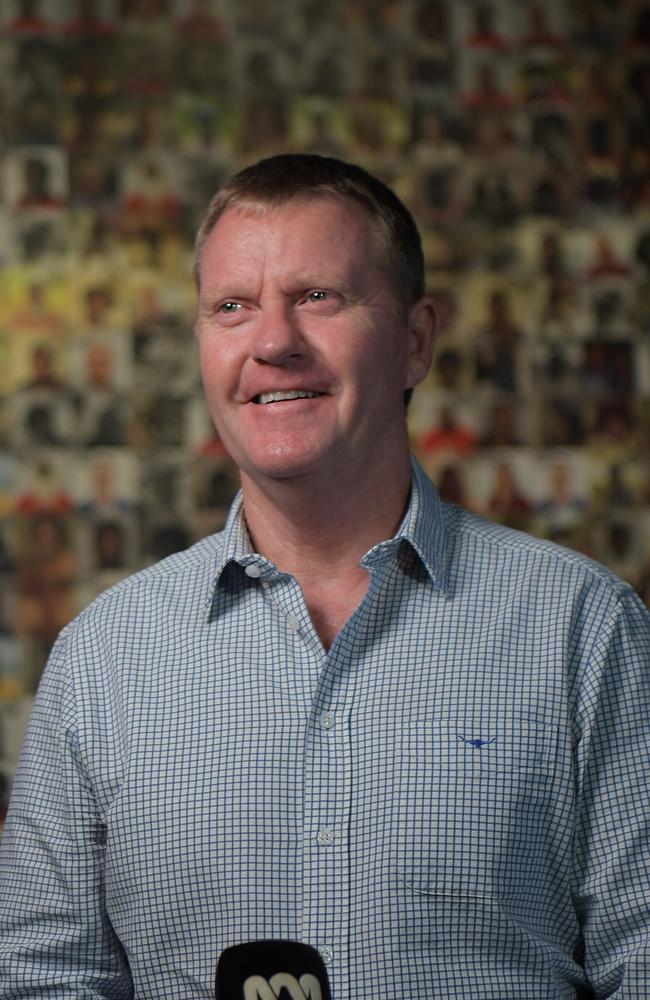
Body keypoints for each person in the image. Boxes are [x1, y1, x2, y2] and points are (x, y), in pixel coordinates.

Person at [0, 153, 649, 999]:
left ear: (416, 341)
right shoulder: (101, 659)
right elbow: (44, 978)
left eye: (318, 298)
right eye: (233, 306)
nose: (273, 342)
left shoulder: (585, 630)